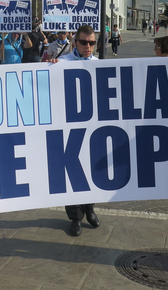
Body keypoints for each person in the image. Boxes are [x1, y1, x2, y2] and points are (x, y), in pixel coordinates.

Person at [50, 24, 101, 237]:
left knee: (91, 171)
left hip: (91, 128)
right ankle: (75, 217)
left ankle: (90, 208)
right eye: (83, 42)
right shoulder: (62, 63)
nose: (88, 46)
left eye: (91, 43)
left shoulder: (99, 65)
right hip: (68, 128)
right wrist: (50, 68)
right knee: (71, 173)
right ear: (75, 43)